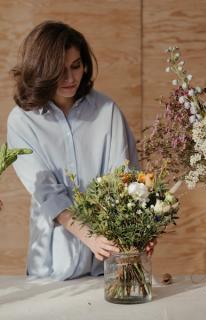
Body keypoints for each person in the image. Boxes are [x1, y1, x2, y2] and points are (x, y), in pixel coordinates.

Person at [7, 20, 154, 280]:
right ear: (41, 71)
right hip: (52, 267)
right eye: (59, 70)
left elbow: (126, 181)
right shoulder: (22, 121)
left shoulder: (106, 111)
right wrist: (92, 237)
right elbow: (49, 194)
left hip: (106, 264)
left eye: (75, 66)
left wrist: (139, 234)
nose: (70, 78)